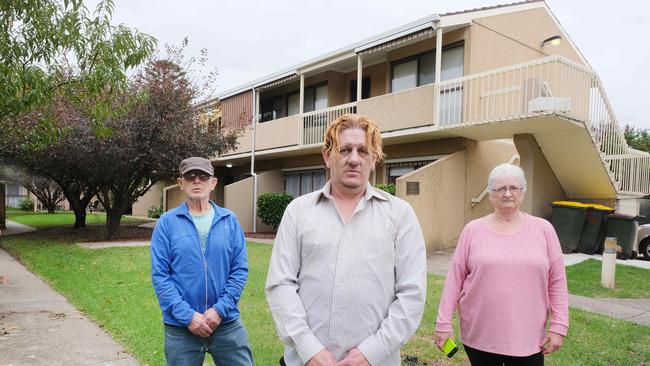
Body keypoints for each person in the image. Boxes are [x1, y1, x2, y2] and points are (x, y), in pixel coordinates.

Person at [265, 114, 427, 366]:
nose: (353, 159)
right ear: (327, 155)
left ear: (374, 159)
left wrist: (371, 352)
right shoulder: (298, 211)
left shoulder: (400, 215)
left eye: (363, 151)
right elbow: (281, 284)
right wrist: (309, 349)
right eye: (344, 150)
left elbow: (412, 293)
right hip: (305, 361)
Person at [434, 163, 569, 365]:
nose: (507, 194)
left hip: (530, 338)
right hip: (480, 336)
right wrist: (443, 323)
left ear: (523, 192)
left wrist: (559, 326)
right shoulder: (472, 230)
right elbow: (455, 279)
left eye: (514, 188)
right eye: (500, 188)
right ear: (490, 194)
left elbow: (557, 281)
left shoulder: (544, 230)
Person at [151, 157, 253, 366]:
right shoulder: (167, 223)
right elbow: (161, 276)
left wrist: (219, 310)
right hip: (181, 327)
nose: (197, 181)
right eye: (190, 176)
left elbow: (239, 270)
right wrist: (188, 316)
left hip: (225, 322)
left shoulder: (230, 221)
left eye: (203, 176)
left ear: (213, 183)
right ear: (181, 183)